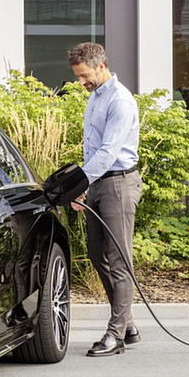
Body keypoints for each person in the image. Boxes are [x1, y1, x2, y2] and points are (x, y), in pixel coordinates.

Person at [68, 42, 142, 358]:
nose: (81, 83)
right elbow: (93, 150)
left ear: (101, 66)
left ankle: (116, 335)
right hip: (99, 183)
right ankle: (128, 324)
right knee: (96, 253)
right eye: (78, 77)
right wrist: (84, 185)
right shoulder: (96, 98)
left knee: (120, 260)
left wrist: (77, 184)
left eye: (85, 76)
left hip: (119, 185)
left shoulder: (120, 101)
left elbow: (109, 152)